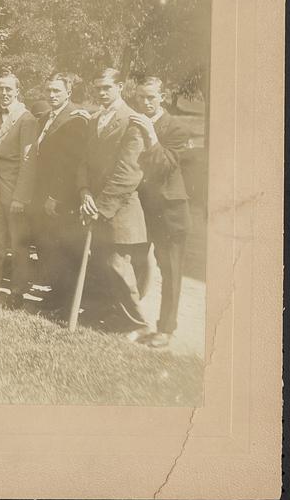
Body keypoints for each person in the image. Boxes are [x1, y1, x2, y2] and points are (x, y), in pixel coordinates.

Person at [77, 67, 150, 337]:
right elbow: (83, 161)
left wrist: (100, 206)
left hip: (121, 210)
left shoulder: (133, 121)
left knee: (118, 267)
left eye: (107, 87)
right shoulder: (96, 118)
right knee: (101, 266)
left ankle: (139, 325)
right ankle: (111, 318)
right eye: (97, 88)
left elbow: (129, 173)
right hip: (94, 205)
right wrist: (84, 192)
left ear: (120, 87)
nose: (101, 93)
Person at [130, 76, 192, 348]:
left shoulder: (176, 127)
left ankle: (166, 329)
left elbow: (166, 165)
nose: (145, 102)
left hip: (170, 209)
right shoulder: (135, 120)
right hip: (143, 206)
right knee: (133, 263)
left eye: (151, 97)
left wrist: (151, 135)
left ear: (163, 97)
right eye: (141, 97)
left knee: (171, 269)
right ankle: (133, 321)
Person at [0, 72, 39, 308]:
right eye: (0, 88)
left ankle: (17, 293)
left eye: (8, 89)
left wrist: (21, 198)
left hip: (14, 191)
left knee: (18, 244)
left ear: (17, 91)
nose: (4, 94)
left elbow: (28, 160)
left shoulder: (26, 119)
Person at [31, 73, 89, 315]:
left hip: (60, 197)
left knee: (62, 249)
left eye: (57, 91)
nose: (52, 95)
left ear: (68, 92)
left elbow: (70, 163)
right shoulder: (45, 117)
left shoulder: (75, 118)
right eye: (49, 91)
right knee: (47, 247)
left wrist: (56, 196)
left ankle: (64, 303)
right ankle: (54, 296)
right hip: (41, 193)